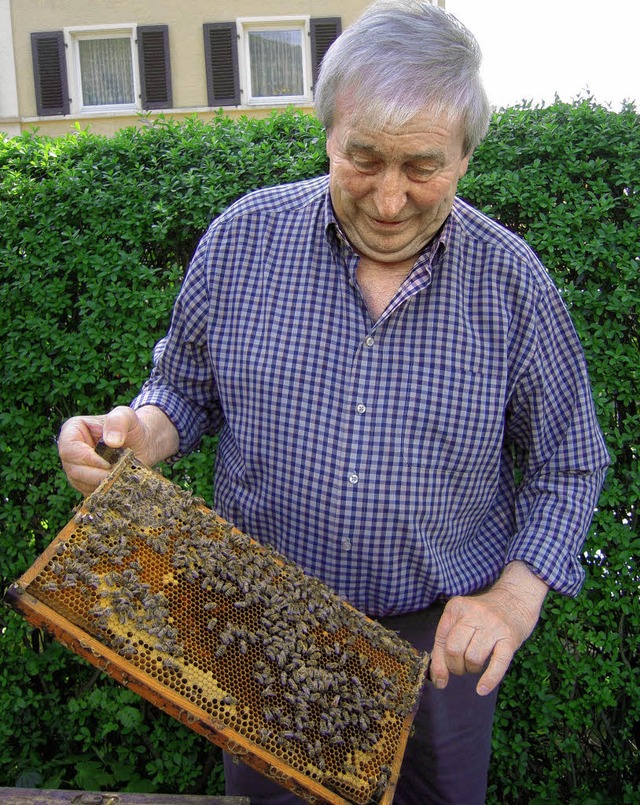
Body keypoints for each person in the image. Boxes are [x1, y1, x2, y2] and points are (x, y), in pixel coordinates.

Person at [58, 1, 610, 802]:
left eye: (423, 166)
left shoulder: (513, 285)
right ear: (328, 134)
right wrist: (136, 433)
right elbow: (183, 388)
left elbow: (569, 462)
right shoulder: (243, 240)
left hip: (438, 649)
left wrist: (515, 597)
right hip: (264, 623)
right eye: (364, 158)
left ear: (466, 155)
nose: (389, 199)